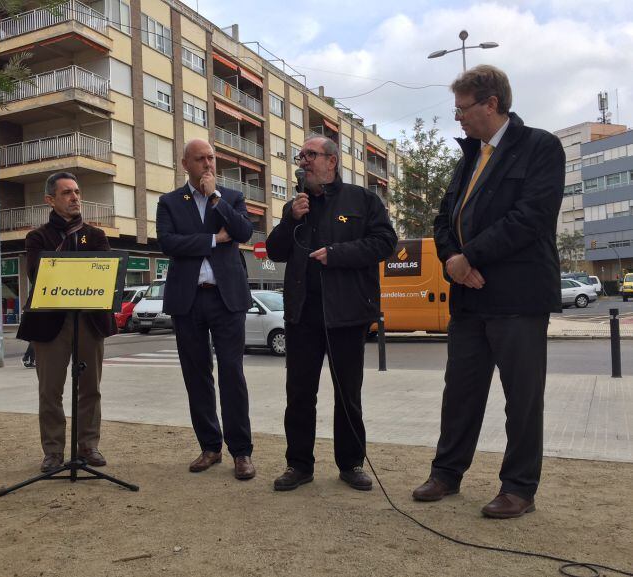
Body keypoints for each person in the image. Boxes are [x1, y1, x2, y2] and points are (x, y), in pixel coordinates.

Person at [412, 65, 564, 518]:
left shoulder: (540, 147)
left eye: (463, 109)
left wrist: (468, 257)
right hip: (469, 297)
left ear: (491, 104)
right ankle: (446, 474)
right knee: (459, 391)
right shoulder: (469, 158)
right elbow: (443, 221)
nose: (457, 118)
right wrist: (453, 262)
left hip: (518, 297)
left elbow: (530, 218)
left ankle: (518, 488)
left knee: (522, 397)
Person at [266, 135, 397, 492]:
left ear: (332, 160)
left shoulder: (363, 200)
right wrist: (290, 218)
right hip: (302, 315)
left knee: (348, 394)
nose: (304, 160)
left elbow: (385, 243)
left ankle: (351, 463)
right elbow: (275, 251)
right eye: (301, 155)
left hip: (347, 313)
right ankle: (298, 464)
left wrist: (337, 253)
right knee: (299, 394)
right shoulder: (296, 205)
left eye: (311, 154)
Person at [156, 138, 256, 480]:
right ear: (185, 164)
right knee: (196, 376)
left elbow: (244, 232)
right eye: (201, 159)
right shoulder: (170, 202)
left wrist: (215, 198)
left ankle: (241, 452)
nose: (208, 164)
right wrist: (215, 239)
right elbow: (169, 243)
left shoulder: (231, 197)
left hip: (227, 299)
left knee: (232, 373)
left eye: (212, 158)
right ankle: (210, 447)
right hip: (188, 300)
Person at [16, 172, 117, 473]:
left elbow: (104, 274)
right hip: (50, 324)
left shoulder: (96, 236)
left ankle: (88, 445)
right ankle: (53, 452)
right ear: (50, 200)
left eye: (77, 191)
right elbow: (39, 274)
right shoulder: (38, 237)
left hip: (89, 320)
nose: (75, 198)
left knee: (90, 387)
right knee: (50, 390)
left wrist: (72, 268)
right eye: (67, 193)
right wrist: (68, 244)